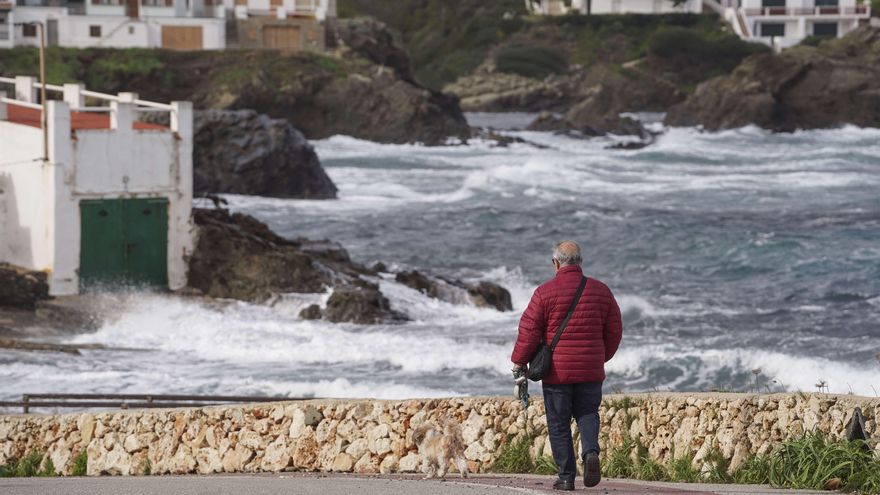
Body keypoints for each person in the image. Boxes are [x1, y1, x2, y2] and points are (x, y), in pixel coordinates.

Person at [511, 241, 622, 491]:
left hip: (557, 373)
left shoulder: (544, 292)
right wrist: (600, 357)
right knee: (588, 413)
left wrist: (519, 361)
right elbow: (615, 330)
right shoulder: (601, 291)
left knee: (559, 422)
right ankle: (591, 452)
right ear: (580, 262)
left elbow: (529, 331)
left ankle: (565, 477)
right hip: (590, 369)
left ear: (555, 263)